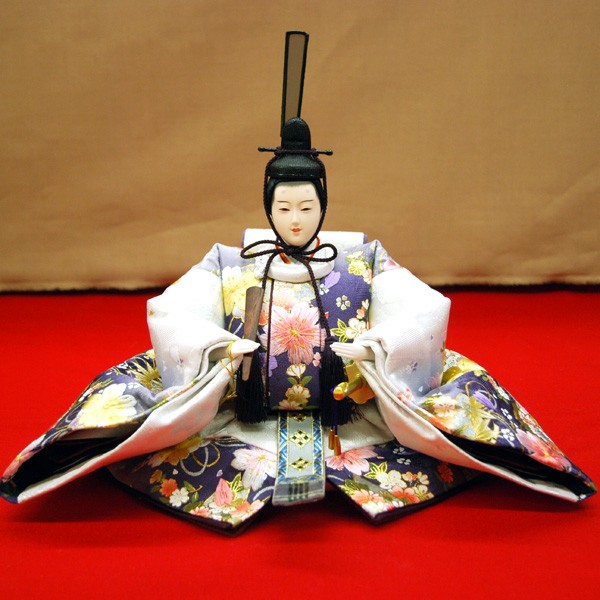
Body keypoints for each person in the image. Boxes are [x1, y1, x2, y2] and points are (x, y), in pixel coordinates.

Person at [1, 32, 595, 533]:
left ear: (323, 205)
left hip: (351, 408)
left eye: (306, 207)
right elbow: (173, 308)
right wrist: (214, 346)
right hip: (241, 410)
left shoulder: (363, 259)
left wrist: (379, 345)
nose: (294, 220)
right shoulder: (229, 261)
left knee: (451, 422)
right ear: (268, 207)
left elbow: (422, 305)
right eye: (283, 207)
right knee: (161, 435)